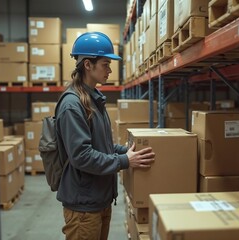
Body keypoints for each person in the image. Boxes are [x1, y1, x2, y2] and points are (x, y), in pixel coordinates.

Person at [55, 32, 155, 240]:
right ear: (87, 65)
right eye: (105, 64)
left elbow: (102, 145)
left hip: (99, 199)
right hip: (83, 207)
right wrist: (125, 160)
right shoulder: (73, 105)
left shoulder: (93, 100)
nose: (110, 70)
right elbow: (81, 156)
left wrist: (126, 150)